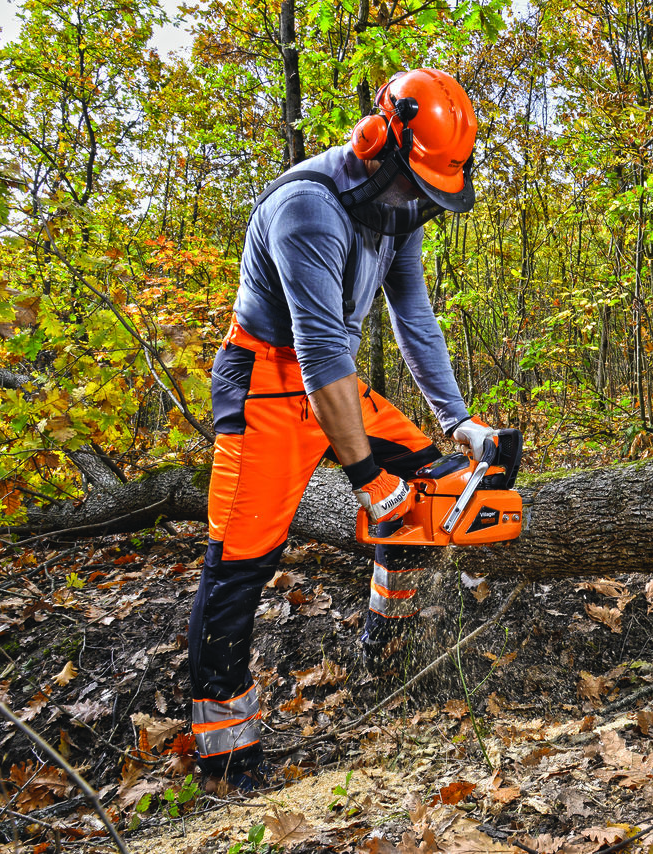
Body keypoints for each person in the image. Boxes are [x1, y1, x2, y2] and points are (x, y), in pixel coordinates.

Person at [186, 68, 497, 790]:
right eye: (415, 186)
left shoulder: (400, 212)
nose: (420, 204)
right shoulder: (308, 208)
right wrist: (366, 481)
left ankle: (384, 650)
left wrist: (460, 424)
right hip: (265, 379)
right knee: (239, 565)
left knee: (430, 488)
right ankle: (228, 756)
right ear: (377, 147)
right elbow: (321, 349)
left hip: (332, 382)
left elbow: (413, 316)